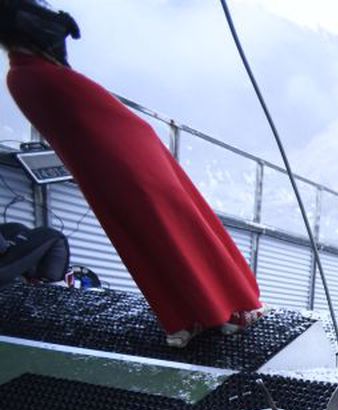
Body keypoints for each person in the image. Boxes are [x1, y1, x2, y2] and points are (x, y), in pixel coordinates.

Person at [1, 1, 263, 348]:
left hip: (114, 169)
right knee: (176, 231)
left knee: (149, 239)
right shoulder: (38, 76)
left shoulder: (23, 77)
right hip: (130, 163)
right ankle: (225, 308)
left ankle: (193, 315)